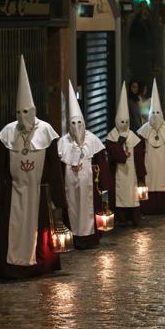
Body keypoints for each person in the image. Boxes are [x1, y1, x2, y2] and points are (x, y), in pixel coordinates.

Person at [0, 56, 66, 280]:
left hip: (37, 191)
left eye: (27, 112)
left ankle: (38, 264)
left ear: (33, 110)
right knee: (11, 229)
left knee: (38, 229)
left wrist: (59, 200)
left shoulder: (46, 131)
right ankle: (11, 266)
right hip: (15, 192)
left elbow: (54, 169)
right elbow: (0, 168)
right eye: (19, 112)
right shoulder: (7, 133)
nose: (22, 117)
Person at [58, 82, 111, 249]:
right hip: (70, 185)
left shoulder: (92, 140)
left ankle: (89, 238)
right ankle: (73, 238)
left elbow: (101, 162)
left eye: (79, 123)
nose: (76, 127)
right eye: (73, 123)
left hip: (89, 185)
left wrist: (104, 185)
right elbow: (59, 167)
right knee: (72, 209)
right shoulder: (63, 142)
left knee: (88, 209)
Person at [106, 83, 146, 227]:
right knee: (119, 196)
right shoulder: (112, 136)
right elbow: (117, 158)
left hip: (131, 174)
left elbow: (139, 159)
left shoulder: (134, 138)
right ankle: (121, 218)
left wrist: (141, 175)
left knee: (132, 195)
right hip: (117, 174)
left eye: (126, 122)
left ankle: (133, 217)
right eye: (121, 121)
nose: (123, 124)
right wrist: (119, 143)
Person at [138, 79, 165, 215]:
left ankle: (164, 208)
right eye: (152, 113)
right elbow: (140, 149)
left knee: (163, 182)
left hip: (163, 163)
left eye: (157, 113)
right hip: (148, 162)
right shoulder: (144, 130)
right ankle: (148, 208)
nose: (155, 116)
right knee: (150, 182)